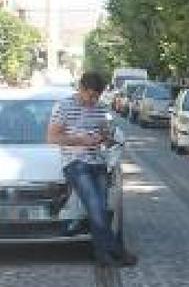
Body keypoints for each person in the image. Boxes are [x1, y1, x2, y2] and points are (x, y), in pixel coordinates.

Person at [46, 71, 136, 267]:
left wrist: (105, 137)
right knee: (95, 206)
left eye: (97, 96)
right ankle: (116, 250)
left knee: (101, 209)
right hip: (76, 164)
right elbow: (52, 138)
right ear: (81, 88)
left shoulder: (100, 108)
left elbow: (104, 131)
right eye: (91, 95)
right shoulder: (63, 106)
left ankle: (102, 255)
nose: (93, 100)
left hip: (98, 162)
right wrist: (80, 140)